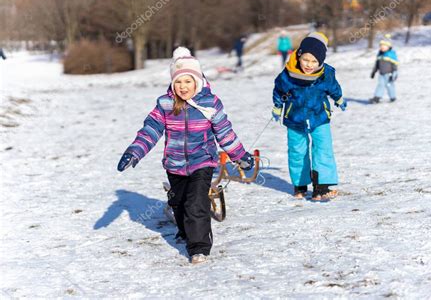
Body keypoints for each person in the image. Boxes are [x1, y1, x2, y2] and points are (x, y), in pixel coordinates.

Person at [117, 47, 254, 264]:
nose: (183, 87)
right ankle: (185, 231)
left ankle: (199, 247)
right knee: (179, 203)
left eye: (188, 82)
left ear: (197, 81)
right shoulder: (165, 104)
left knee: (196, 203)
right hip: (175, 164)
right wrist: (135, 151)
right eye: (178, 82)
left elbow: (225, 132)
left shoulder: (210, 104)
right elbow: (150, 130)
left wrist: (240, 156)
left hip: (203, 161)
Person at [272, 32, 346, 201]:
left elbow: (333, 87)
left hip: (319, 117)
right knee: (297, 151)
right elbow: (279, 90)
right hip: (294, 118)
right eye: (306, 59)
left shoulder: (325, 74)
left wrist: (339, 98)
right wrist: (277, 106)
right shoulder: (287, 74)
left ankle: (322, 187)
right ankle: (300, 185)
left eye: (314, 61)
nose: (309, 65)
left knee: (323, 149)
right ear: (299, 55)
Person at [369, 34, 399, 103]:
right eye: (381, 46)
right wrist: (373, 72)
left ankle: (393, 97)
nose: (382, 47)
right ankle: (377, 97)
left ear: (389, 47)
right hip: (381, 74)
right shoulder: (380, 54)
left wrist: (394, 73)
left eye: (384, 46)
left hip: (389, 74)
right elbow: (377, 64)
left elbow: (395, 65)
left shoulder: (391, 54)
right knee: (380, 85)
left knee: (389, 85)